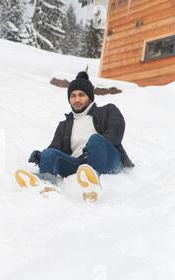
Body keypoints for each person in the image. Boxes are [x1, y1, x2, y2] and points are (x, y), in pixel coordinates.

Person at [25, 71, 134, 201]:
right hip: (79, 164)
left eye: (81, 95)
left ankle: (92, 184)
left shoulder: (108, 110)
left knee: (95, 139)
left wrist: (93, 149)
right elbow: (55, 148)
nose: (77, 99)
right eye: (73, 96)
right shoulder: (64, 125)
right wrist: (41, 156)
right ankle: (47, 186)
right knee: (49, 153)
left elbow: (115, 133)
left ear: (90, 97)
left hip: (108, 158)